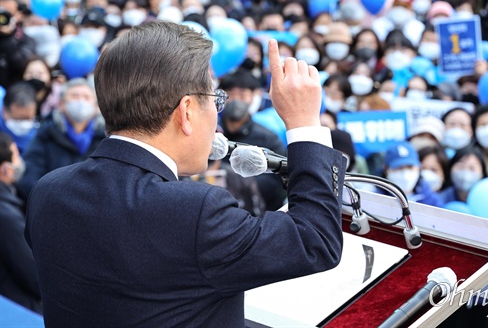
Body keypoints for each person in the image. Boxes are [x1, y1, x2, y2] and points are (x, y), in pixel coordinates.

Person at [25, 22, 344, 326]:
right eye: (215, 100)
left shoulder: (49, 191)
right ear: (187, 111)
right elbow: (315, 240)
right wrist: (305, 123)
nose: (217, 116)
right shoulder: (196, 211)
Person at [17, 78, 106, 199]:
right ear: (61, 104)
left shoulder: (106, 139)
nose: (81, 102)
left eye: (86, 97)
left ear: (96, 106)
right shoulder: (46, 134)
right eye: (75, 96)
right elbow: (30, 177)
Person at [218, 71, 287, 211]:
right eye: (231, 94)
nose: (236, 100)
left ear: (254, 96)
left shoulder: (267, 138)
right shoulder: (213, 133)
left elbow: (278, 179)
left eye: (243, 94)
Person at [0, 132, 41, 313]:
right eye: (16, 155)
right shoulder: (6, 216)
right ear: (5, 168)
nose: (19, 162)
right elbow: (33, 275)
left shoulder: (11, 200)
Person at [383, 141, 443, 207]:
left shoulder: (431, 200)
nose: (405, 173)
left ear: (419, 168)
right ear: (386, 170)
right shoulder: (376, 196)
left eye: (410, 167)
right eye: (399, 168)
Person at [0, 82, 38, 153]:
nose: (23, 124)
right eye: (18, 119)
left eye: (28, 118)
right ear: (4, 111)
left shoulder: (36, 137)